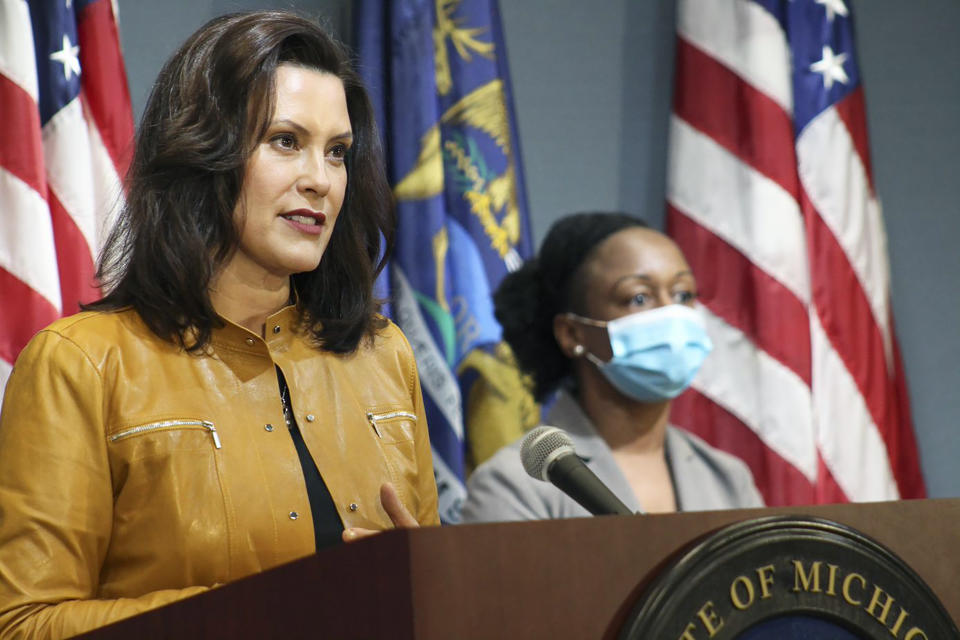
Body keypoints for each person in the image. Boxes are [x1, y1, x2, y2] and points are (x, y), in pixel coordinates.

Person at [0, 11, 438, 639]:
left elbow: (437, 587)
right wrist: (261, 611)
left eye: (337, 152)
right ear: (204, 153)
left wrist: (422, 585)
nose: (320, 180)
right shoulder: (82, 363)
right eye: (286, 141)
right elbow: (26, 623)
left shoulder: (384, 353)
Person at [460, 212, 763, 522]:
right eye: (640, 297)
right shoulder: (512, 486)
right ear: (573, 334)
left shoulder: (728, 480)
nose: (670, 313)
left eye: (682, 294)